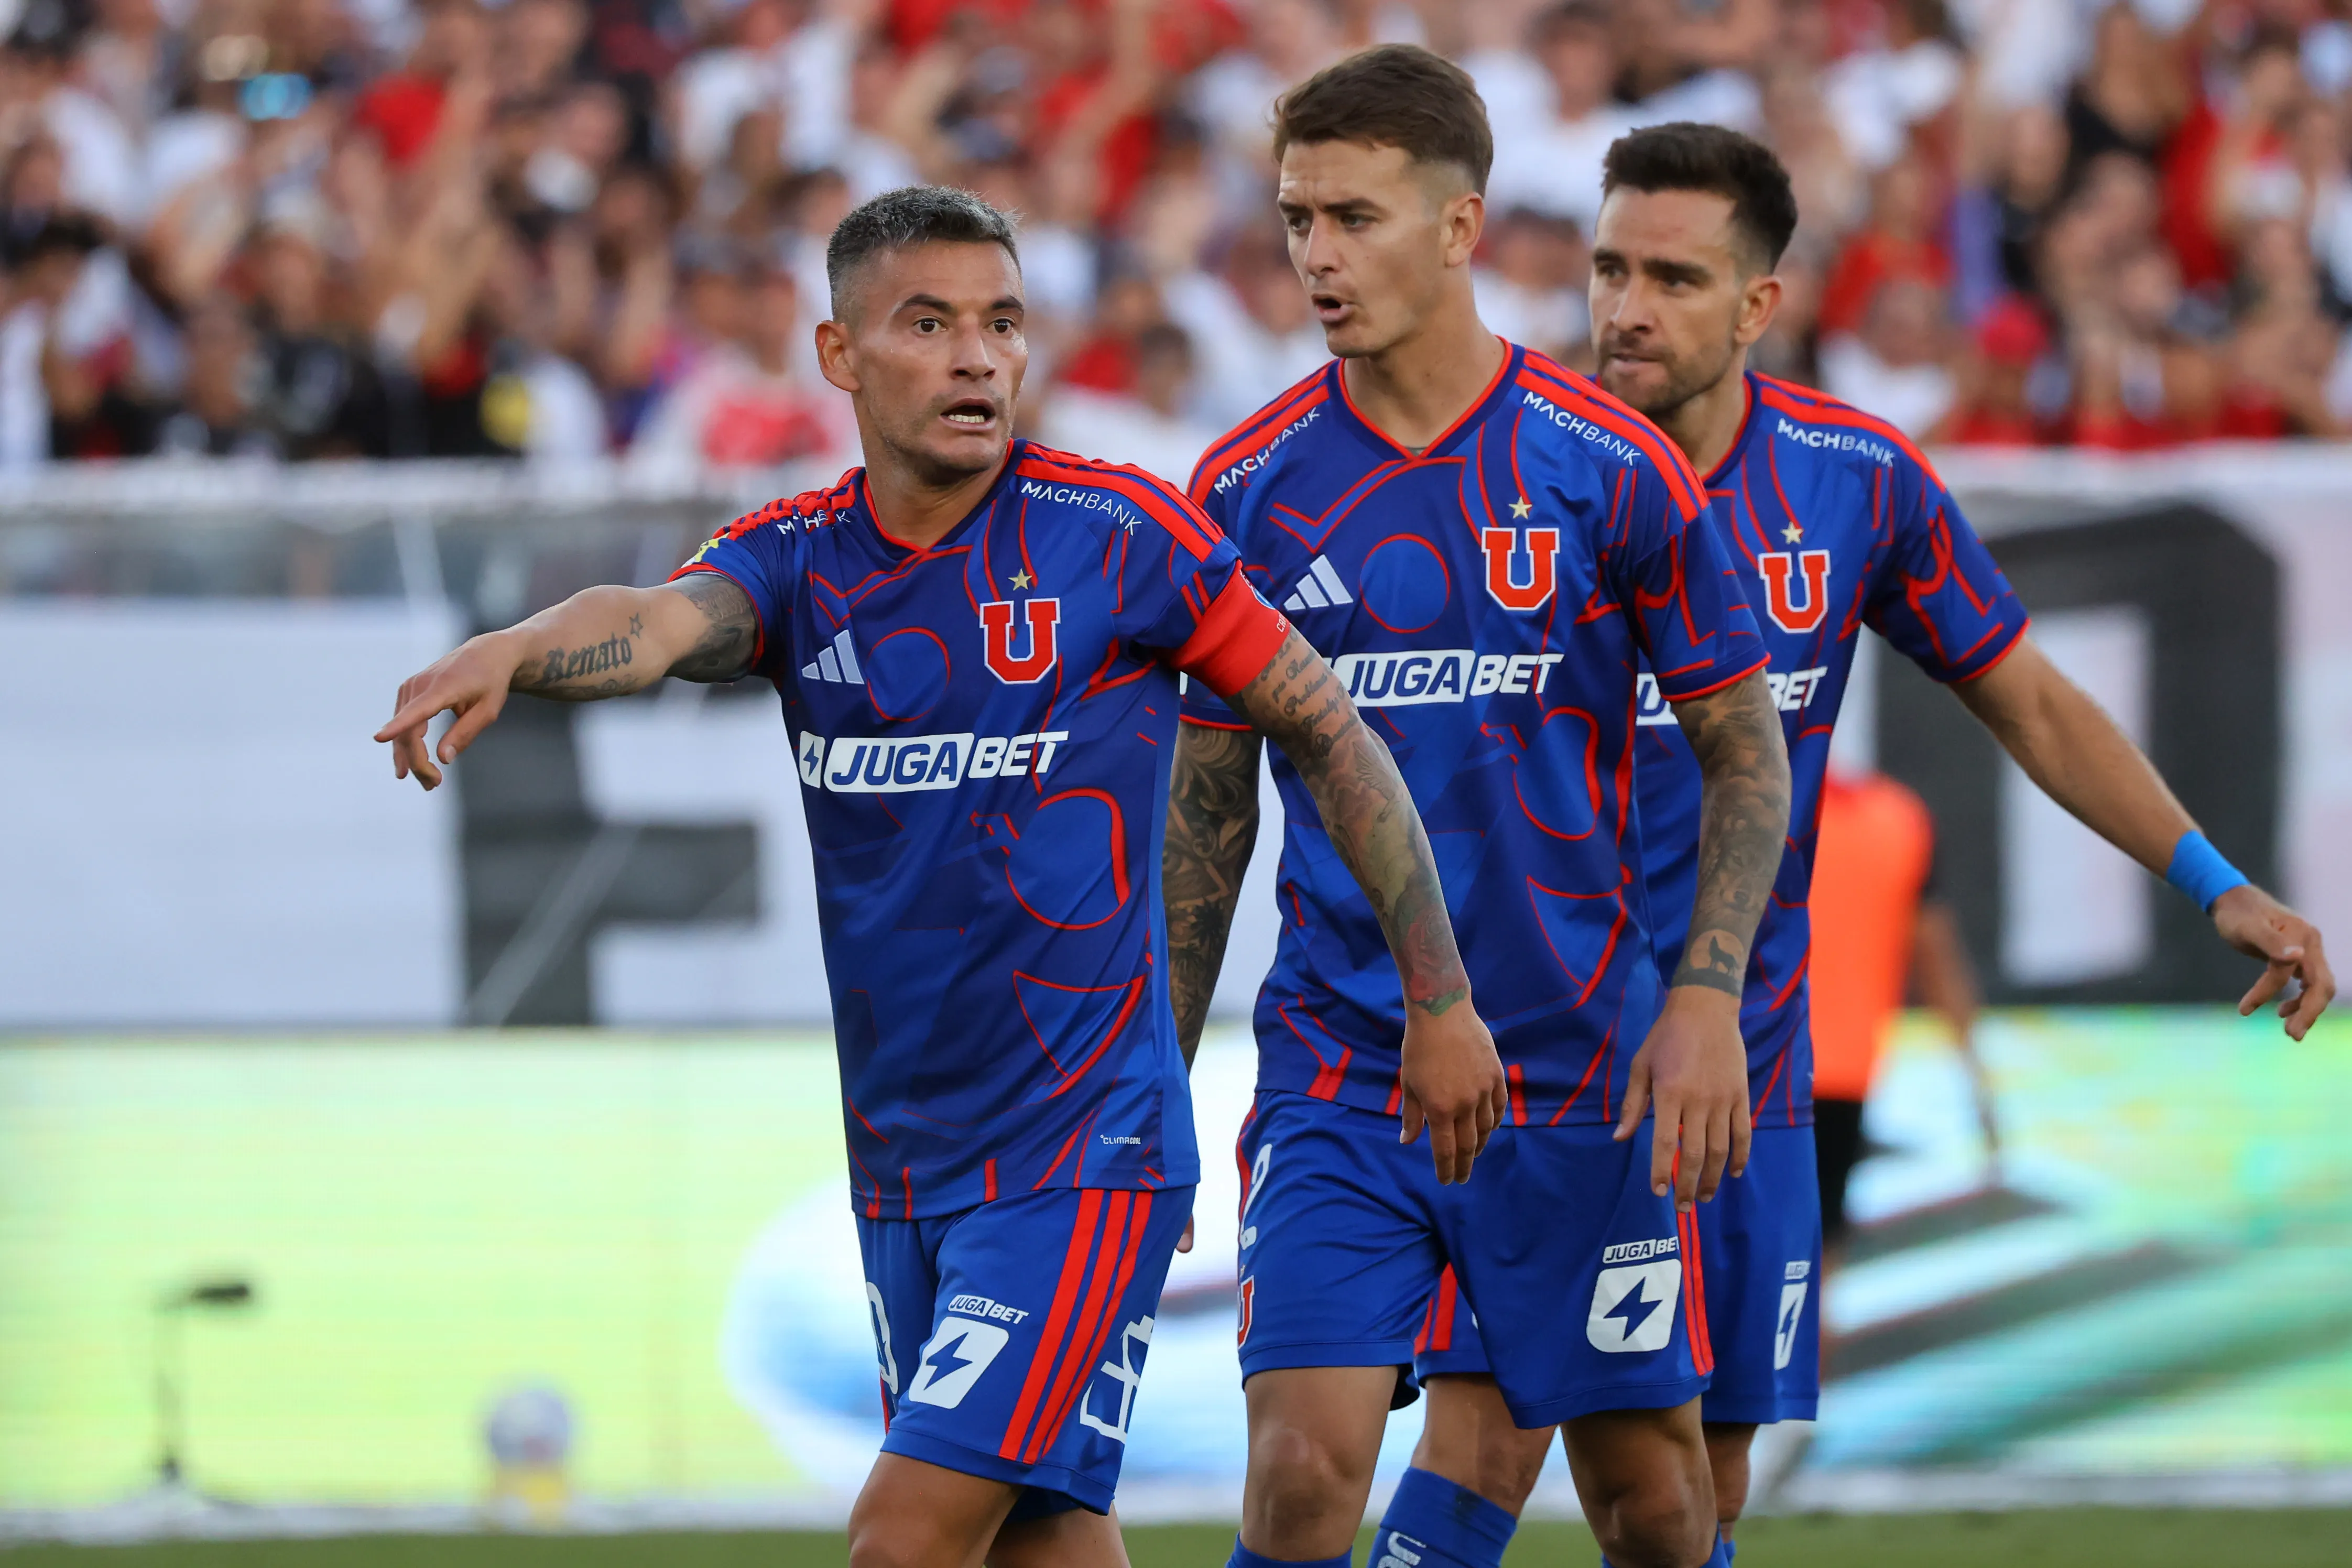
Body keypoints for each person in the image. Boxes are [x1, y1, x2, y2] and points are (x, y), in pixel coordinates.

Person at [374, 184, 1506, 1568]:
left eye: (1003, 325)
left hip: (1080, 1158)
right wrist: (517, 646)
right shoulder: (795, 563)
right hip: (907, 1170)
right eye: (929, 324)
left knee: (901, 1545)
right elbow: (654, 623)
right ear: (840, 355)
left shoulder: (1122, 536)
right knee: (1044, 1544)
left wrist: (1439, 1001)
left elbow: (1334, 730)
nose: (978, 358)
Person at [1406, 122, 2335, 1560]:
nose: (1627, 308)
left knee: (1688, 1498)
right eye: (1608, 269)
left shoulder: (1854, 482)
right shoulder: (1504, 472)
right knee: (1479, 1444)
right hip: (1547, 1048)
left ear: (1759, 306)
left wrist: (2212, 882)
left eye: (1672, 276)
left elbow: (2024, 696)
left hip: (1745, 1064)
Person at [1166, 51, 1790, 1568]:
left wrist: (1706, 992)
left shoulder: (1610, 466)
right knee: (1302, 1479)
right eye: (1299, 217)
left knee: (1652, 1506)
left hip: (1581, 1071)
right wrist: (1155, 1086)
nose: (1317, 255)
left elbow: (1745, 754)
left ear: (1458, 230)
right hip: (1342, 1067)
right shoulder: (1245, 489)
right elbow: (1208, 822)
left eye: (1356, 217)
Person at [1808, 764, 1998, 1260]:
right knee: (1812, 1270)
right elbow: (1938, 960)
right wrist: (1978, 1083)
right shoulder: (1893, 816)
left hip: (1740, 1068)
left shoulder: (1721, 797)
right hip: (1840, 1076)